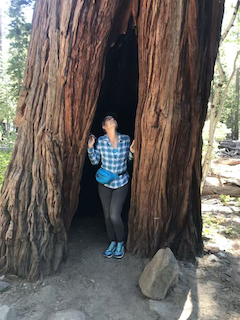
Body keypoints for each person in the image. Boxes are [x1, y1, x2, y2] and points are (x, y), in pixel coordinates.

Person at [87, 112, 135, 259]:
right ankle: (112, 242)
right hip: (105, 183)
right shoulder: (101, 141)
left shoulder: (126, 139)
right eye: (108, 120)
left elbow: (129, 160)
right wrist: (90, 148)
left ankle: (121, 242)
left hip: (121, 182)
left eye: (113, 119)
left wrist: (132, 152)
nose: (111, 120)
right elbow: (95, 161)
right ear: (103, 127)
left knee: (114, 215)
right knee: (107, 216)